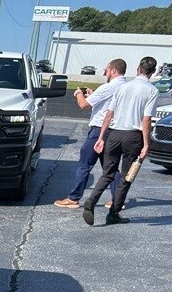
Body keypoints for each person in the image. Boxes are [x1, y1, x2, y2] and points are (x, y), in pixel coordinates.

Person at [82, 56, 160, 226]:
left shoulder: (122, 88)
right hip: (133, 136)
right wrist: (146, 144)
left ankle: (91, 201)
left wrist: (101, 137)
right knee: (125, 177)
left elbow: (109, 114)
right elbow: (146, 120)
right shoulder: (152, 91)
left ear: (138, 69)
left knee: (107, 173)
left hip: (114, 134)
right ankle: (113, 213)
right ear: (152, 72)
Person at [54, 59, 127, 208]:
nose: (104, 72)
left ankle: (74, 198)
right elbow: (107, 104)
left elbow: (83, 105)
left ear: (113, 70)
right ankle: (118, 200)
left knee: (84, 164)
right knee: (111, 167)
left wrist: (79, 94)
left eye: (106, 70)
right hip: (115, 131)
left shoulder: (108, 87)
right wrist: (93, 95)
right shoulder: (125, 87)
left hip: (99, 130)